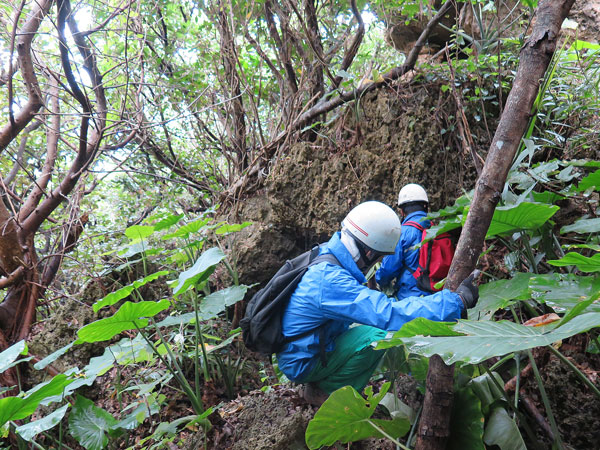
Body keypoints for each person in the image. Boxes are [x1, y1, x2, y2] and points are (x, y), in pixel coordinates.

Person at [276, 201, 478, 406]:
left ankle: (320, 381)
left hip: (303, 347)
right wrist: (455, 301)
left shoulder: (327, 254)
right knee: (377, 336)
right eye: (379, 257)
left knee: (367, 327)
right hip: (301, 360)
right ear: (369, 253)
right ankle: (326, 392)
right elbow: (387, 314)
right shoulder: (330, 280)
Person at [375, 183, 432, 297]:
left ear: (402, 211)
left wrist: (378, 279)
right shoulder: (436, 227)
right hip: (437, 294)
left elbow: (388, 269)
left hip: (411, 297)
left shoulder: (402, 233)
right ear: (426, 206)